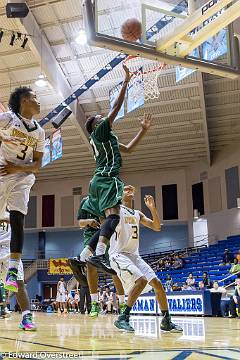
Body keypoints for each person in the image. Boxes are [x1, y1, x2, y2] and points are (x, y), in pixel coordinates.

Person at [82, 64, 151, 273]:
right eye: (99, 118)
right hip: (106, 178)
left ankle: (86, 253)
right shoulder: (99, 133)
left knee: (109, 219)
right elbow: (115, 109)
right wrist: (127, 82)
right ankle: (100, 253)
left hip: (98, 181)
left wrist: (143, 130)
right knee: (114, 218)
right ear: (96, 125)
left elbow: (128, 149)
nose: (102, 117)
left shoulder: (107, 139)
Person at [109, 185, 182, 333]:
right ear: (119, 194)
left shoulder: (137, 213)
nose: (129, 189)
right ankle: (123, 318)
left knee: (158, 284)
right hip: (119, 254)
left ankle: (166, 321)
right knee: (141, 280)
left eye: (130, 189)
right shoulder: (116, 210)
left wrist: (152, 208)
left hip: (134, 255)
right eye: (124, 189)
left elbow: (156, 227)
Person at [0, 87, 45, 292]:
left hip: (23, 176)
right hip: (2, 172)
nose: (38, 101)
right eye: (34, 98)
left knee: (18, 219)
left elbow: (36, 165)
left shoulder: (40, 131)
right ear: (24, 101)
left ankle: (12, 270)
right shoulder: (8, 119)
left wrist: (17, 168)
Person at [73, 196, 126, 318]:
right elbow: (80, 223)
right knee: (91, 267)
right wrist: (88, 221)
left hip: (107, 235)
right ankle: (95, 303)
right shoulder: (85, 201)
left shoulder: (109, 199)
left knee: (114, 268)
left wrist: (103, 222)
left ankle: (122, 304)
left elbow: (114, 218)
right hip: (90, 236)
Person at [0, 211, 36, 330]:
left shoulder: (13, 203)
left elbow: (19, 224)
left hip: (10, 250)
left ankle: (26, 317)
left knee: (19, 283)